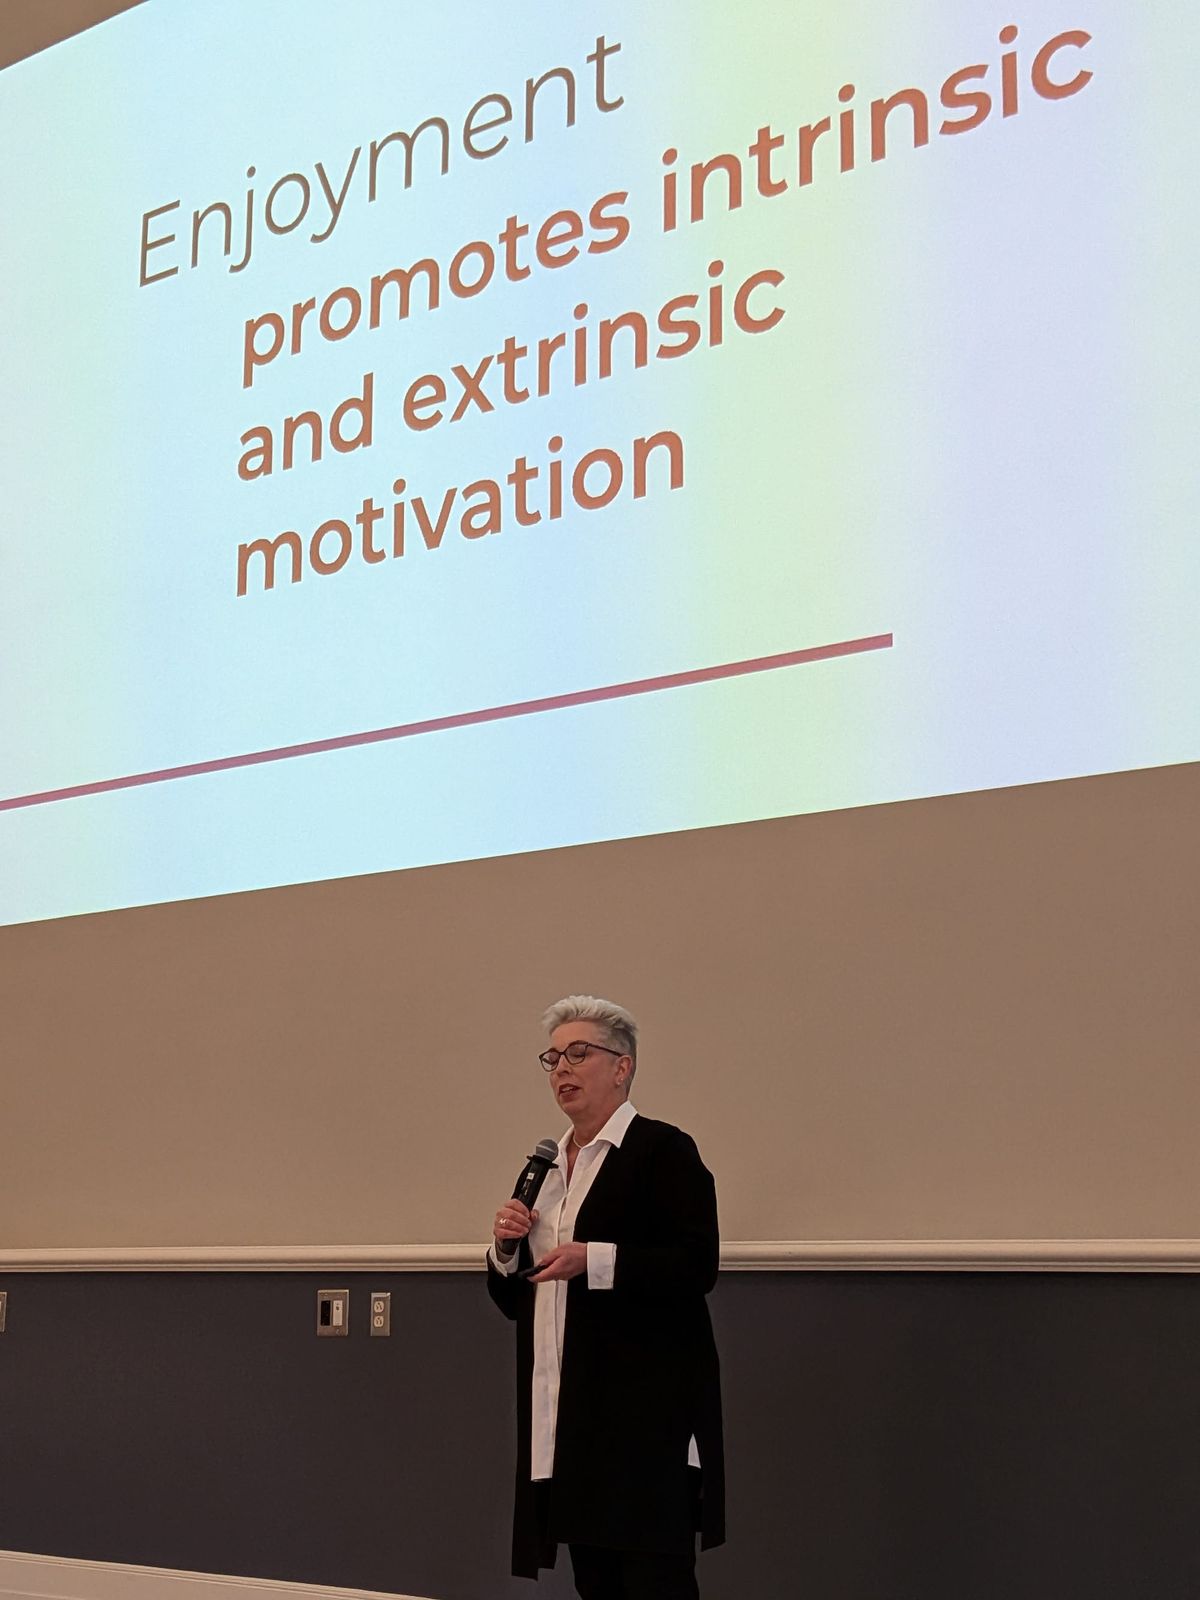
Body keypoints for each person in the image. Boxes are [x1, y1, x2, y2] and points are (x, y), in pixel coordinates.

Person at [487, 995, 724, 1599]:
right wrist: (506, 1251)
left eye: (578, 1053)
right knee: (596, 1584)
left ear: (623, 1067)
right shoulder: (545, 1170)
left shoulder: (663, 1151)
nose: (561, 1069)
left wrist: (593, 1257)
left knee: (654, 1585)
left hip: (644, 1426)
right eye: (553, 1057)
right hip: (570, 1423)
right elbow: (518, 1299)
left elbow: (696, 1265)